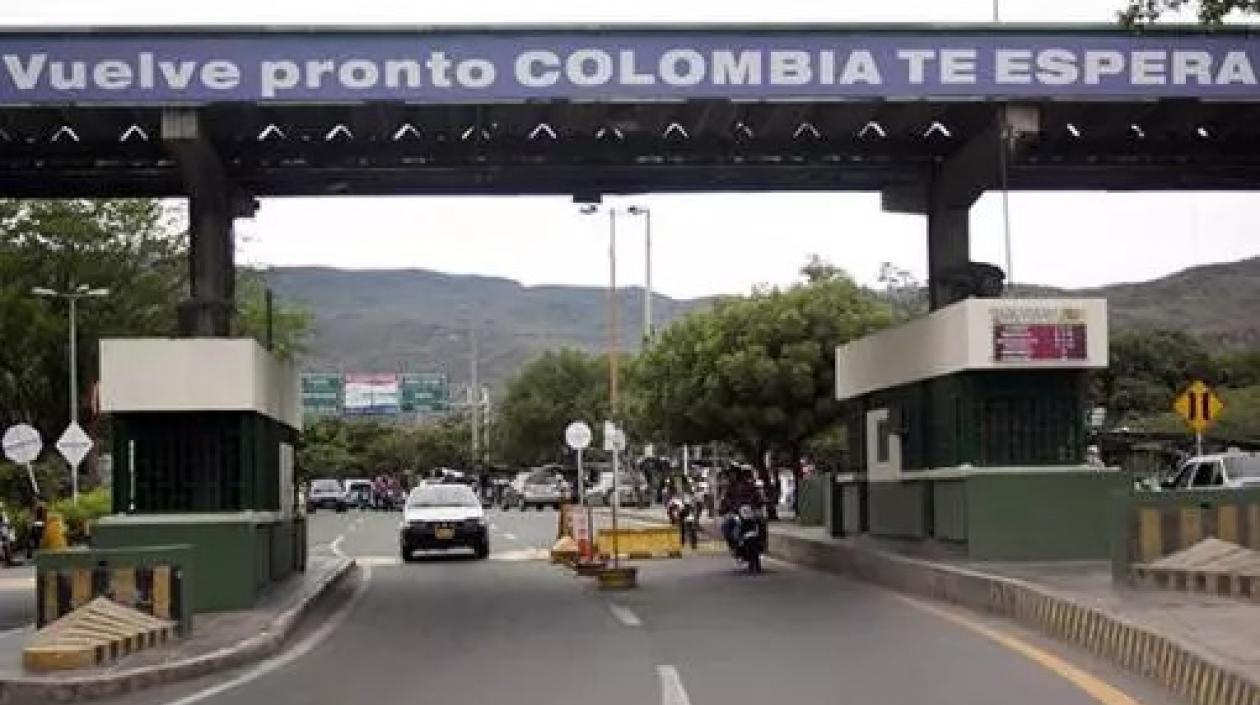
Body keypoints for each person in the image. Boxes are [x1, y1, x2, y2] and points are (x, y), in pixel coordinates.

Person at [719, 465, 763, 552]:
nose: (732, 476)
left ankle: (762, 543)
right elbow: (725, 501)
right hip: (735, 513)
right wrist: (723, 509)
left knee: (761, 521)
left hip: (750, 511)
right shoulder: (729, 489)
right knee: (726, 525)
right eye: (730, 474)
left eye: (734, 473)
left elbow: (757, 497)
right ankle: (733, 546)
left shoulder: (750, 486)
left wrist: (760, 502)